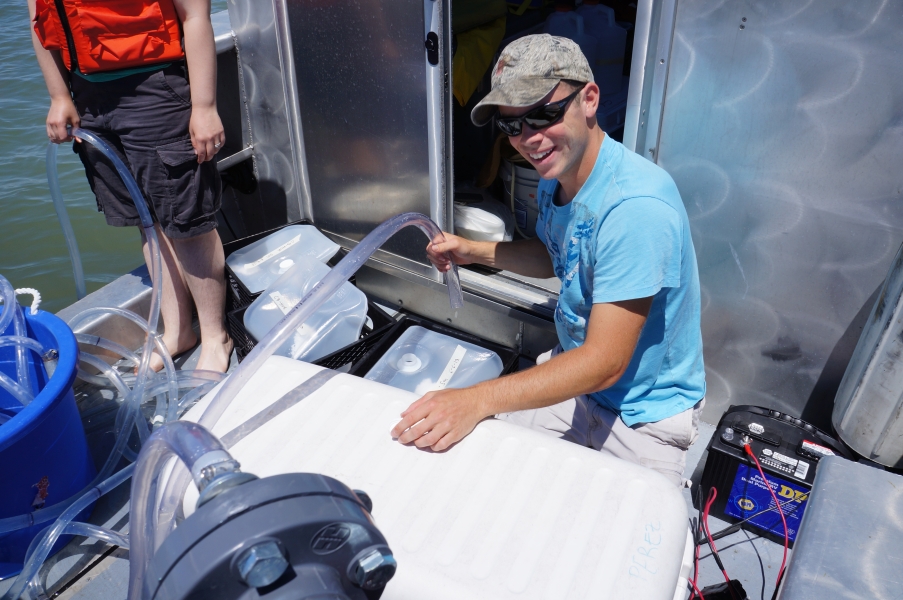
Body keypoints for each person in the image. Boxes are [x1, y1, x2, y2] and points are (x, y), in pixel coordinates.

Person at [391, 34, 706, 486]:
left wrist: (475, 399)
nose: (529, 139)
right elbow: (559, 255)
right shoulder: (555, 177)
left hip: (642, 415)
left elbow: (605, 362)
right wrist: (474, 250)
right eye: (511, 126)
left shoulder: (636, 207)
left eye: (543, 114)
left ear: (590, 99)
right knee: (473, 476)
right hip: (573, 380)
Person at [28, 0, 232, 372]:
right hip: (87, 97)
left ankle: (216, 336)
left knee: (186, 222)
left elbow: (195, 15)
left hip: (153, 89)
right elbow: (40, 25)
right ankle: (177, 332)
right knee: (147, 218)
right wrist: (59, 96)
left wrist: (204, 106)